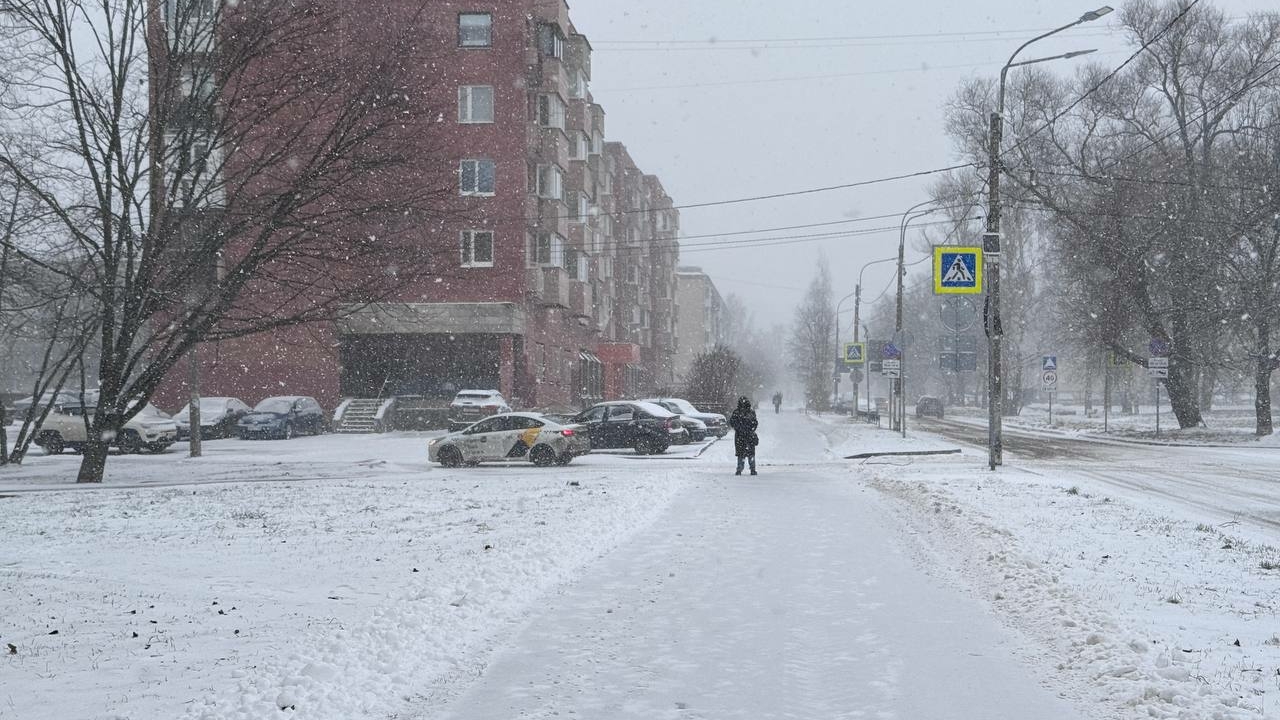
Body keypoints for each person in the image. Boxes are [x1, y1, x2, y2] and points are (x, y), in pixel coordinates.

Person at [728, 396, 759, 475]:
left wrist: (739, 428)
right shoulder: (750, 412)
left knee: (741, 454)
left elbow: (732, 422)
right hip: (748, 435)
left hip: (740, 436)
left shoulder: (737, 412)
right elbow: (755, 423)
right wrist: (750, 429)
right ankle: (752, 469)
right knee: (750, 453)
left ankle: (740, 469)